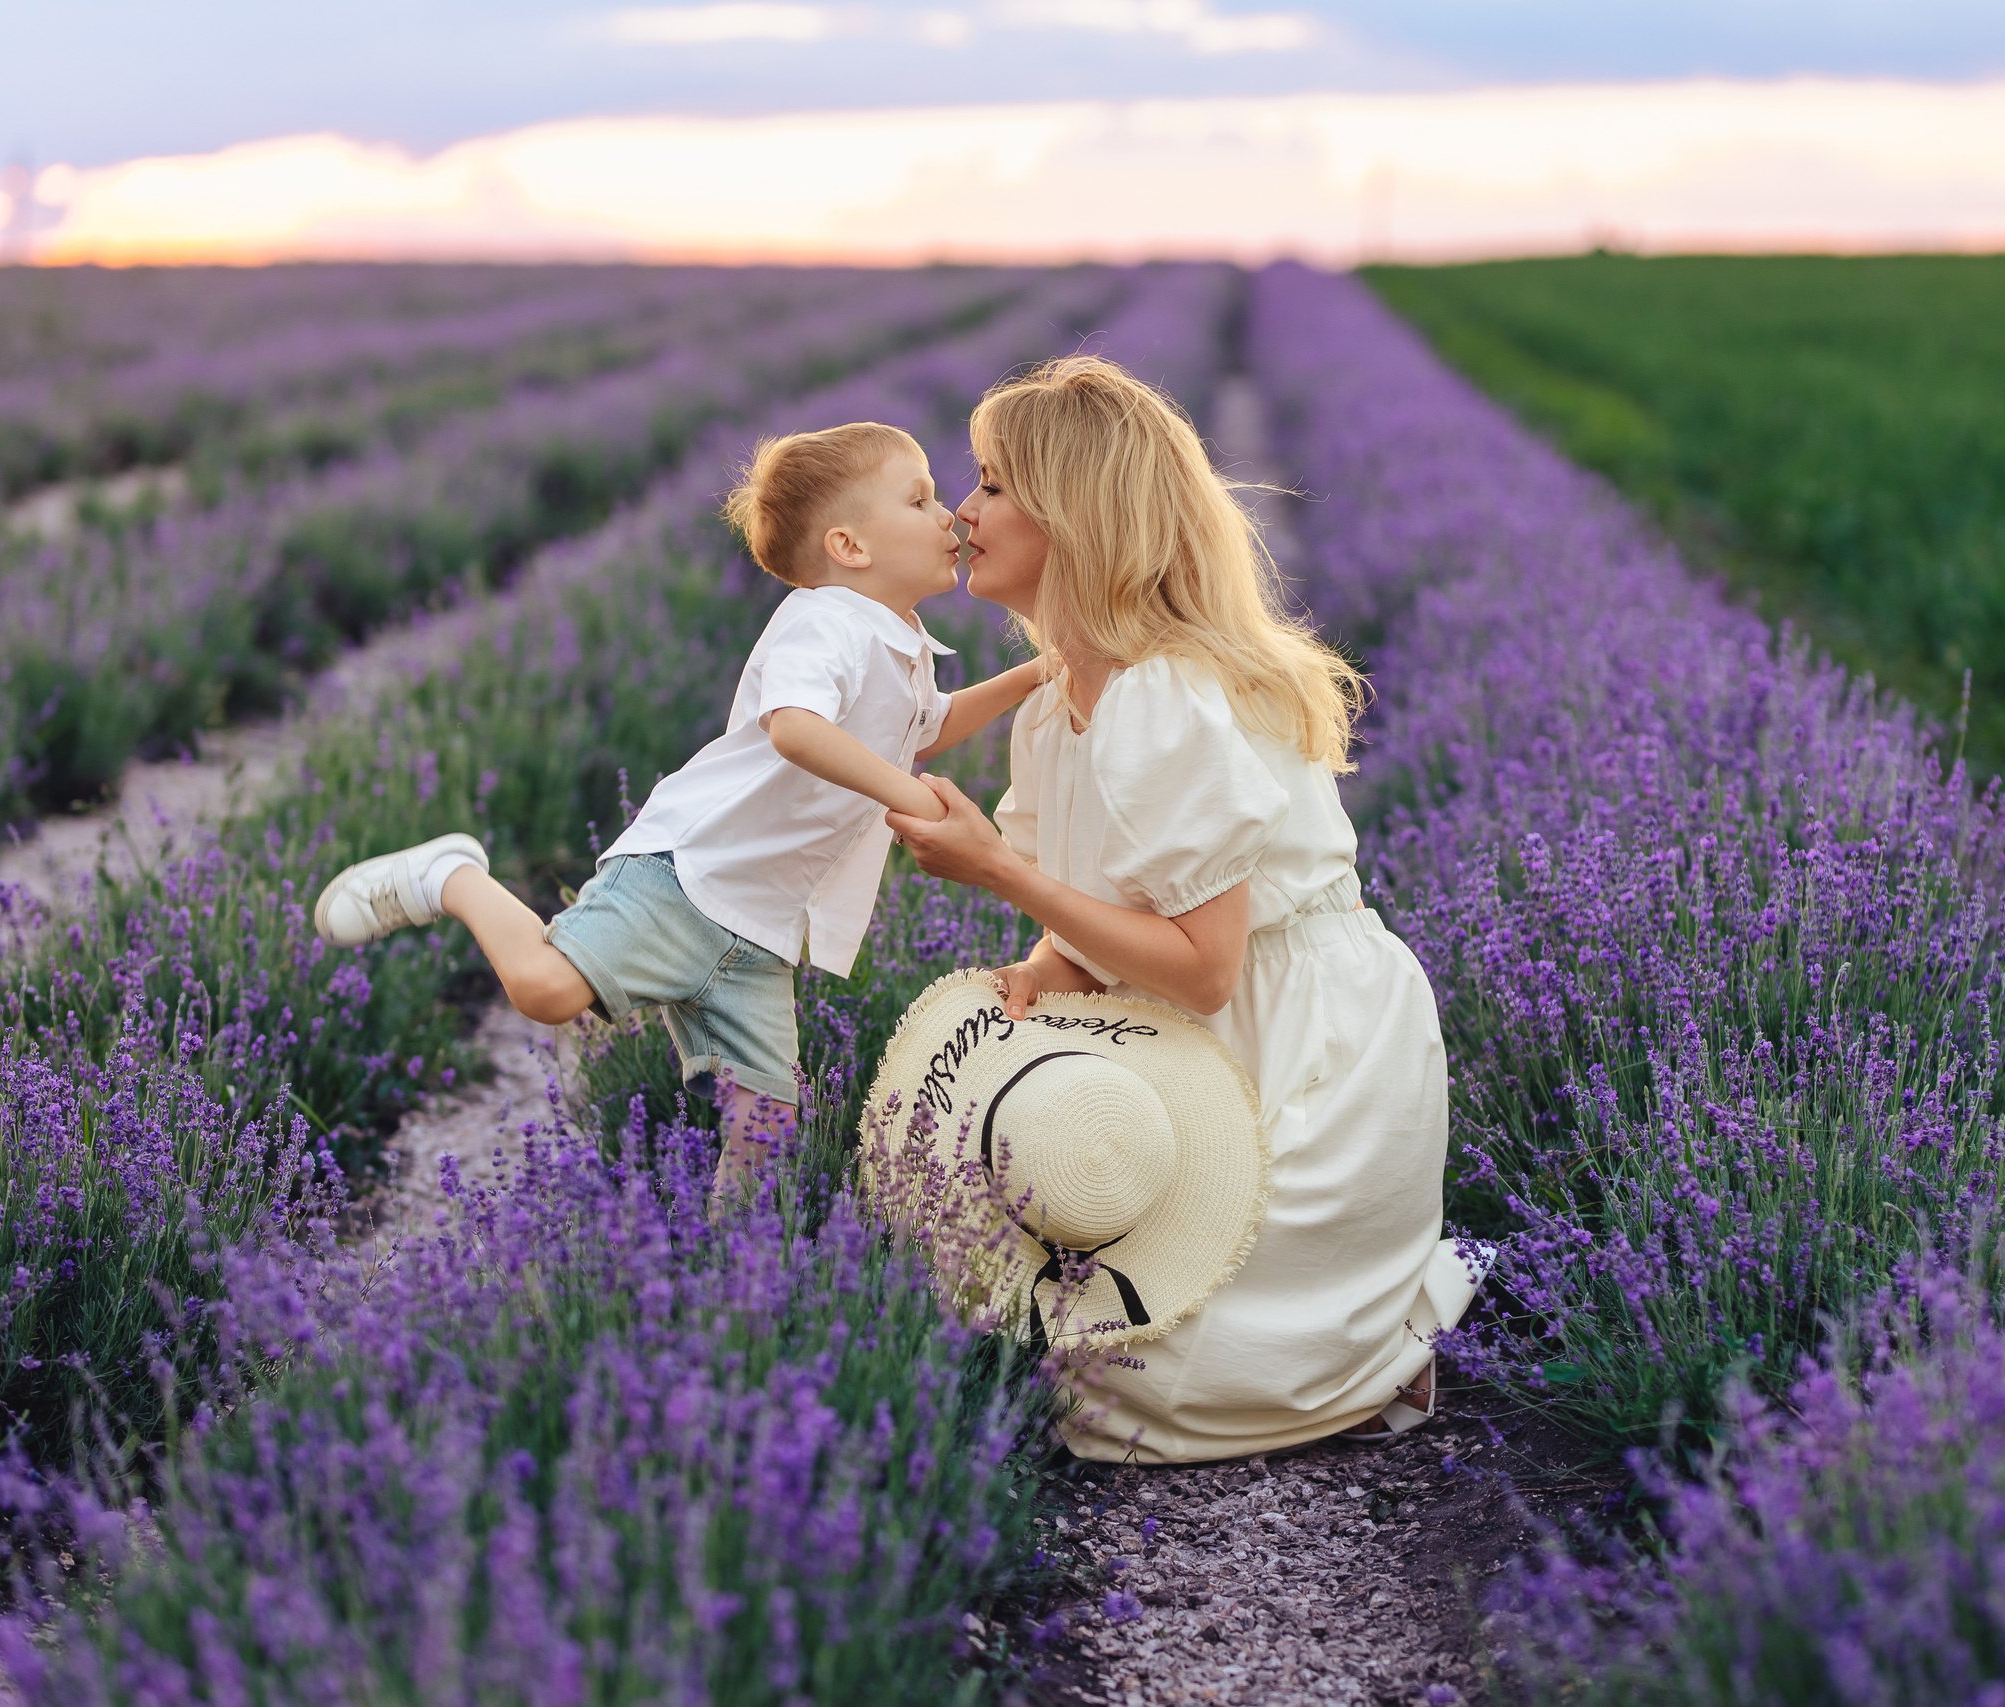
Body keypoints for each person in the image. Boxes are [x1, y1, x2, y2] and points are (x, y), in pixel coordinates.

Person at [885, 356, 1482, 1462]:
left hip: (1300, 1047)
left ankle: (1367, 1323)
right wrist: (1033, 984)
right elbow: (1098, 914)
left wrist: (1000, 873)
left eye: (992, 485)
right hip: (1192, 1027)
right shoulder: (1059, 703)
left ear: (1075, 516)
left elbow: (1206, 966)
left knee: (1123, 1402)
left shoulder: (1160, 694)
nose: (963, 514)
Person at [310, 421, 1046, 1211]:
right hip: (685, 878)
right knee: (546, 992)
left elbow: (926, 730)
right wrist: (909, 795)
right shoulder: (823, 619)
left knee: (767, 1124)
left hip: (760, 929)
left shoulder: (899, 639)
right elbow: (794, 727)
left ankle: (726, 1279)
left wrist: (1039, 671)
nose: (950, 515)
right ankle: (450, 876)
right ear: (850, 546)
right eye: (922, 497)